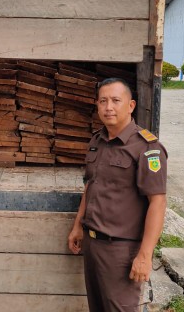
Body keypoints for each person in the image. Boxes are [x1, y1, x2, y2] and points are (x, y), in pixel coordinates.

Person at [67, 78, 168, 312]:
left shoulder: (147, 148)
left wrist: (145, 255)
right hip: (93, 245)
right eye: (103, 101)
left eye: (115, 100)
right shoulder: (97, 141)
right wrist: (77, 226)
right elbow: (90, 187)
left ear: (130, 105)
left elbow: (158, 202)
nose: (108, 107)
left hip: (121, 250)